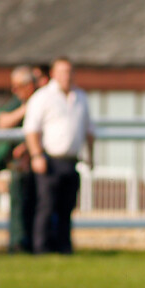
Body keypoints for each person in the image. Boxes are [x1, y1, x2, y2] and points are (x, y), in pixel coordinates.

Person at [24, 57, 95, 254]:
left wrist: (91, 156)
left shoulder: (80, 97)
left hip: (71, 160)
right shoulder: (43, 96)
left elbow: (89, 130)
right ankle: (41, 248)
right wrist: (36, 155)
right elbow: (31, 130)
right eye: (62, 72)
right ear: (54, 74)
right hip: (49, 159)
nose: (67, 76)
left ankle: (64, 247)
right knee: (46, 207)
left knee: (66, 207)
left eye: (70, 71)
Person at [0, 66, 38, 252]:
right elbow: (1, 121)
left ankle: (31, 243)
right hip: (18, 166)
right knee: (18, 203)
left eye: (19, 86)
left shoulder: (40, 100)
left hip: (36, 162)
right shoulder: (17, 103)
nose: (15, 90)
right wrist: (25, 109)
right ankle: (18, 243)